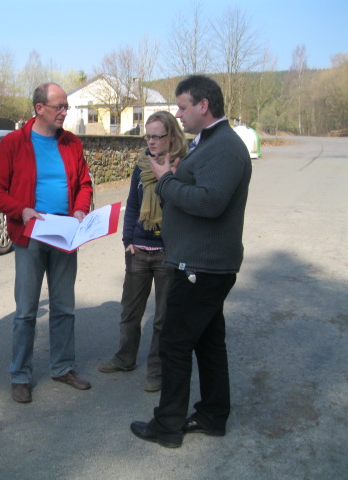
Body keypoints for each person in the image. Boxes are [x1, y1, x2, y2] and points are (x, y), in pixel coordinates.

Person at [129, 75, 252, 448]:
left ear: (203, 106)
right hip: (201, 264)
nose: (178, 114)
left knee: (175, 345)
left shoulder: (225, 148)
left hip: (201, 267)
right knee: (209, 343)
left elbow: (210, 203)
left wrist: (166, 181)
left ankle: (167, 427)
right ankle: (214, 415)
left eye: (182, 106)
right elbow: (202, 191)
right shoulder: (211, 144)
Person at [0, 83, 94, 403]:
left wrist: (79, 209)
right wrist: (22, 211)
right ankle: (20, 375)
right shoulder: (14, 143)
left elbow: (84, 182)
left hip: (65, 235)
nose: (64, 112)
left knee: (64, 308)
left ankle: (62, 368)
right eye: (58, 107)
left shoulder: (72, 143)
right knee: (26, 311)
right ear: (39, 108)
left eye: (66, 107)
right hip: (30, 236)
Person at [98, 111, 187, 393]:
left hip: (167, 251)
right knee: (130, 311)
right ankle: (125, 358)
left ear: (171, 136)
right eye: (147, 136)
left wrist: (170, 179)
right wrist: (128, 240)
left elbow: (184, 208)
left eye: (157, 136)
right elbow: (133, 205)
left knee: (162, 318)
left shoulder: (182, 165)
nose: (151, 141)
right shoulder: (141, 164)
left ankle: (157, 371)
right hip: (139, 248)